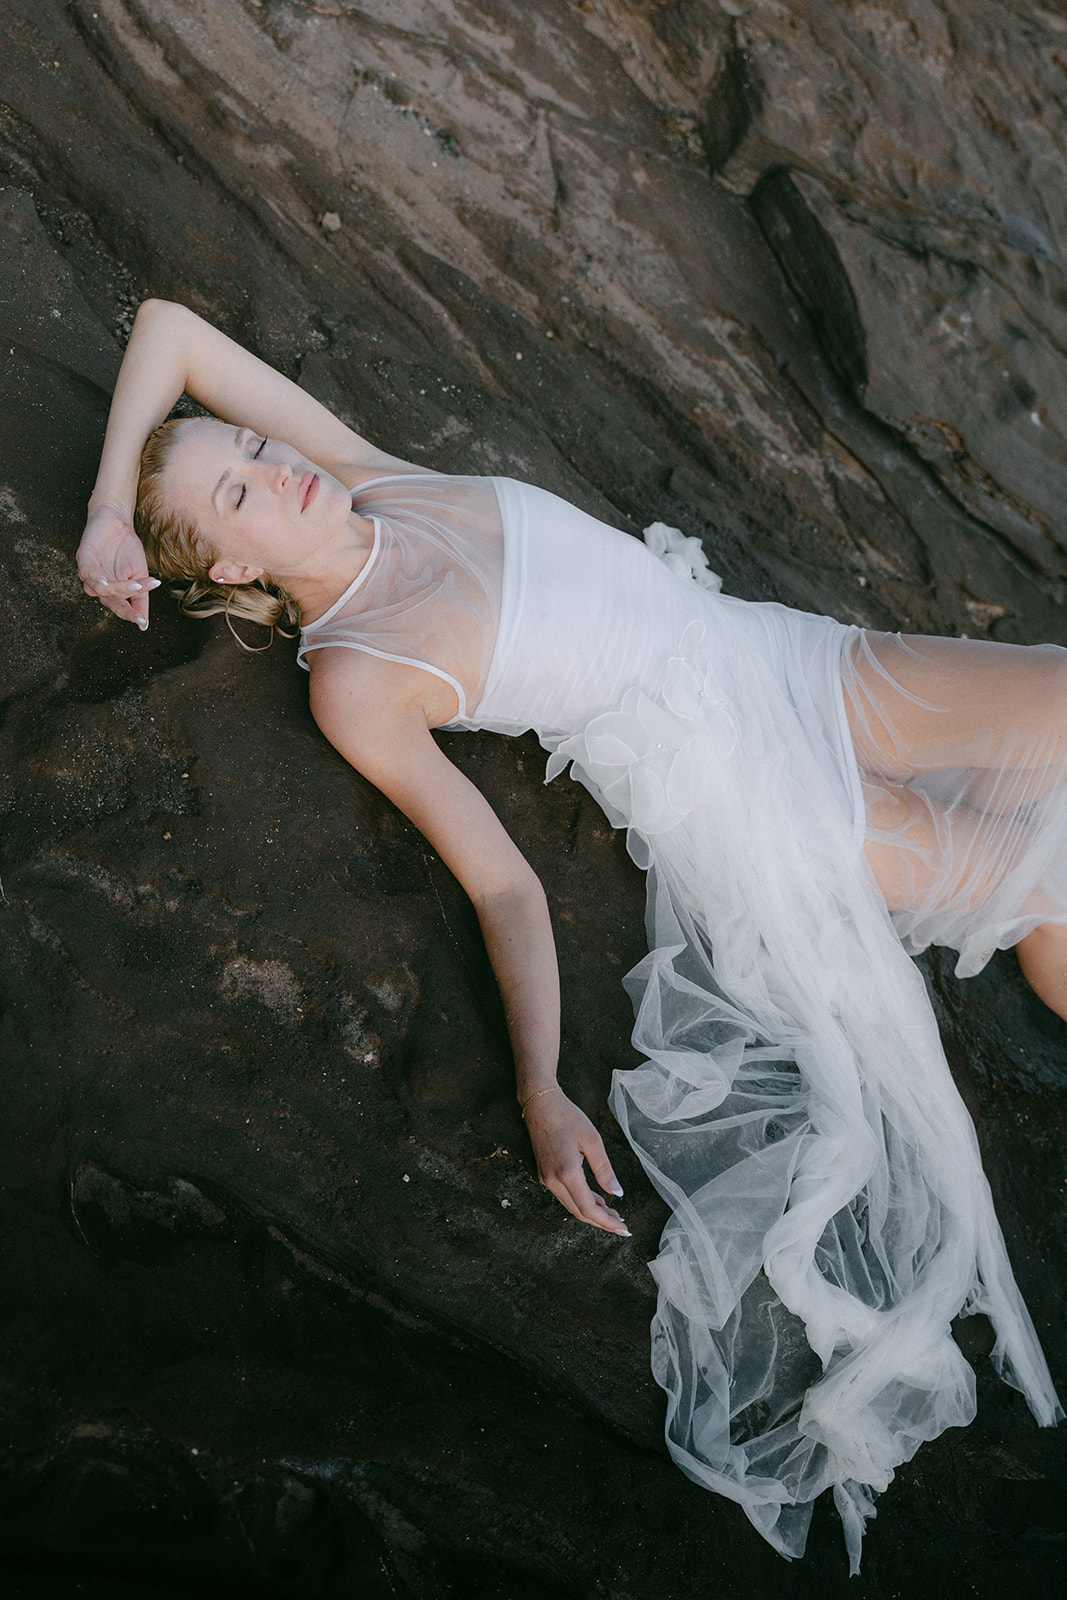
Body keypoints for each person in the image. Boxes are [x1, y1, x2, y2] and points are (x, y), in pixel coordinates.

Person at [77, 298, 1063, 1570]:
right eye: (241, 494)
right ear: (229, 570)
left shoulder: (382, 482)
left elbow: (169, 328)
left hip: (780, 662)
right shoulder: (358, 678)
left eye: (253, 451)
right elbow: (503, 888)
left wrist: (113, 504)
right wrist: (540, 1085)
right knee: (1033, 879)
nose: (278, 469)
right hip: (743, 797)